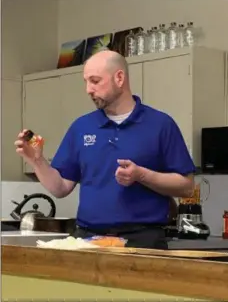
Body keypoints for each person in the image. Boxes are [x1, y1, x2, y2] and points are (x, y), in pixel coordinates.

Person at [15, 50, 196, 249]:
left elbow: (186, 186)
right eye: (85, 82)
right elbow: (60, 188)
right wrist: (37, 160)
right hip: (88, 240)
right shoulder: (81, 127)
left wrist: (141, 175)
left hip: (143, 241)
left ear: (119, 78)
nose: (88, 89)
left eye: (95, 81)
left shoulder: (161, 125)